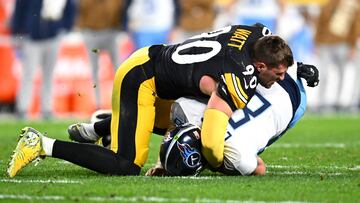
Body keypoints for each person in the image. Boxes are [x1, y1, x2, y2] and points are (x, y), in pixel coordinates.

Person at [7, 24, 294, 177]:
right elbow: (209, 142)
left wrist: (297, 68)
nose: (281, 79)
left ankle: (101, 128)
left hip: (159, 66)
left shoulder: (258, 35)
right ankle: (42, 144)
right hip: (143, 79)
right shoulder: (239, 77)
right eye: (278, 73)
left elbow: (268, 48)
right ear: (258, 66)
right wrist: (219, 165)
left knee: (187, 116)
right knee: (126, 165)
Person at [149, 61, 319, 176]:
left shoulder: (236, 156)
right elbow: (177, 127)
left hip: (293, 103)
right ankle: (297, 66)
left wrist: (221, 166)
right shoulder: (187, 108)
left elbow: (260, 168)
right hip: (274, 77)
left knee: (260, 141)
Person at [11, 0, 76, 119]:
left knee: (49, 75)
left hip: (53, 37)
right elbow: (19, 10)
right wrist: (17, 32)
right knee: (28, 75)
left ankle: (47, 108)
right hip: (32, 38)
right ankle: (22, 108)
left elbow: (70, 8)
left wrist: (65, 27)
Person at [76, 0, 126, 109]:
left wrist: (122, 28)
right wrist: (82, 28)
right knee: (93, 71)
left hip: (111, 32)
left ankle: (123, 101)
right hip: (91, 32)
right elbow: (80, 10)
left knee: (119, 69)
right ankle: (96, 104)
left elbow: (122, 11)